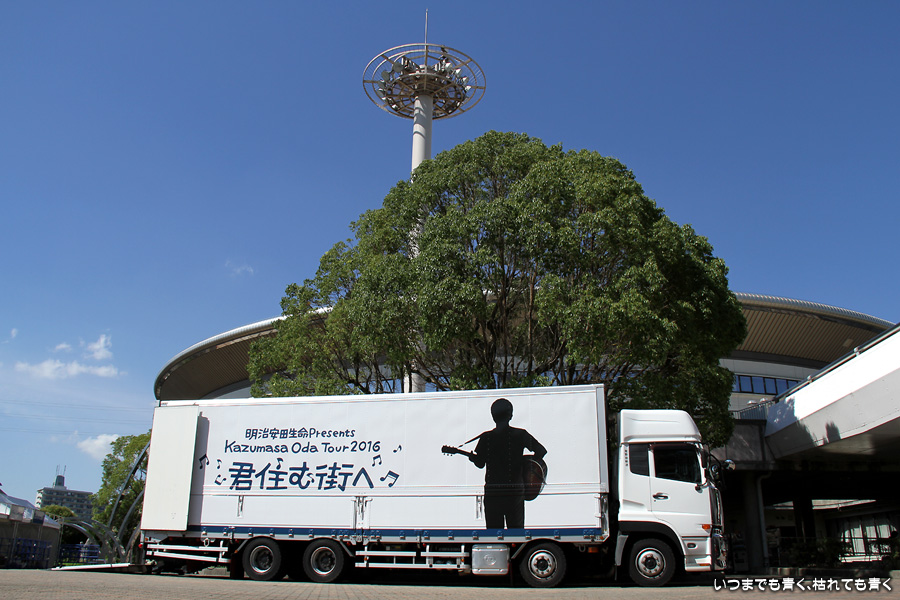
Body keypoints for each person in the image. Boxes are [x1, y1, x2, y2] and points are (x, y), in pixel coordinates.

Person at [468, 398, 547, 529]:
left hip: (493, 493)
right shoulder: (521, 434)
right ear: (511, 415)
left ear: (493, 416)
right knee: (516, 532)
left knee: (494, 533)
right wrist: (527, 466)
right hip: (515, 492)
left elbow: (480, 464)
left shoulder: (486, 437)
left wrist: (472, 458)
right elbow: (541, 451)